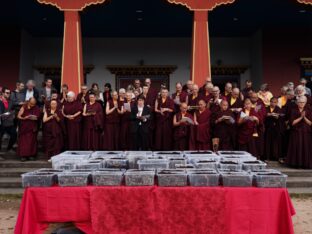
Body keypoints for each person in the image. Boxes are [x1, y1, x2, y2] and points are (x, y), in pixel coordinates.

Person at [286, 96, 312, 168]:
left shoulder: (309, 110)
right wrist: (300, 117)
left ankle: (305, 164)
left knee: (305, 148)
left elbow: (310, 123)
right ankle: (296, 164)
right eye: (300, 102)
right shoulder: (293, 110)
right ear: (297, 103)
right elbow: (292, 123)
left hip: (306, 132)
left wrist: (304, 117)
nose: (301, 104)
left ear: (306, 102)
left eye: (303, 102)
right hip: (296, 132)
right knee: (296, 147)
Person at [264, 97, 283, 161]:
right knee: (267, 143)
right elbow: (264, 115)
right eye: (272, 102)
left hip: (276, 129)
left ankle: (276, 157)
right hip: (268, 128)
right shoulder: (266, 108)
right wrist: (268, 115)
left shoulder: (279, 109)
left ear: (277, 103)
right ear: (270, 102)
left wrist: (277, 116)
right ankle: (267, 157)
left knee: (276, 143)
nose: (273, 103)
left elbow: (281, 117)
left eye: (275, 102)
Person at [0, 88, 17, 154]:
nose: (8, 94)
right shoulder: (0, 101)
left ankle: (9, 148)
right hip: (1, 124)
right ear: (3, 93)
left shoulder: (11, 101)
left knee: (14, 135)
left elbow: (13, 110)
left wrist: (13, 114)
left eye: (9, 93)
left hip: (9, 123)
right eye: (7, 93)